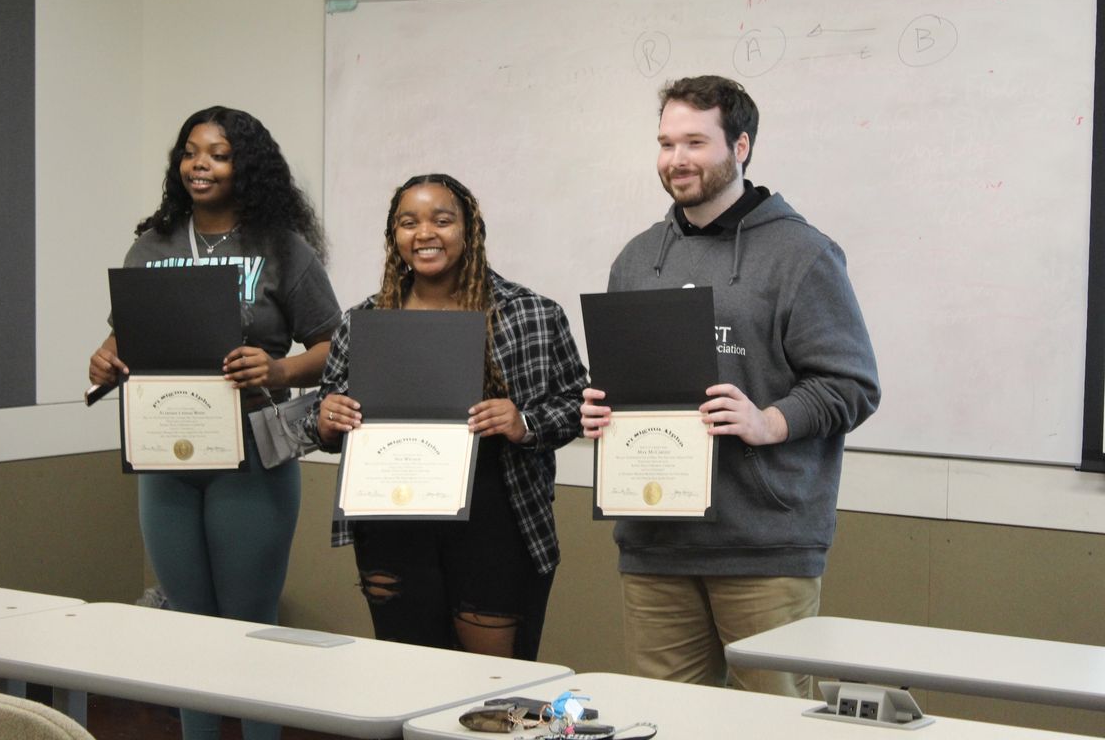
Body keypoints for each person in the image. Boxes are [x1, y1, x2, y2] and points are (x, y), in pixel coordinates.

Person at [580, 75, 880, 696]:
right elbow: (629, 380)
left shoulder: (802, 254)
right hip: (655, 542)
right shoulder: (636, 260)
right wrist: (600, 411)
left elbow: (851, 385)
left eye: (695, 142)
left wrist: (768, 421)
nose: (676, 160)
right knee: (666, 719)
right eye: (666, 143)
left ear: (740, 147)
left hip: (763, 548)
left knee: (775, 724)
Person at [88, 106, 341, 740]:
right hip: (166, 456)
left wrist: (278, 370)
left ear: (245, 167)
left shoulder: (282, 247)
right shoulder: (153, 244)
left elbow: (336, 347)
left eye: (219, 154)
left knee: (249, 624)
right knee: (186, 627)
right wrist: (106, 356)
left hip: (251, 455)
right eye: (192, 152)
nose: (201, 165)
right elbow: (127, 336)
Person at [302, 173, 587, 660]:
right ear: (395, 236)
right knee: (409, 677)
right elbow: (322, 417)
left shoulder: (531, 312)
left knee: (491, 689)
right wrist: (326, 417)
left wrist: (524, 422)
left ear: (469, 230)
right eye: (408, 222)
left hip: (497, 518)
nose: (424, 234)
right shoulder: (364, 322)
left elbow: (579, 404)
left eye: (442, 220)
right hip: (392, 519)